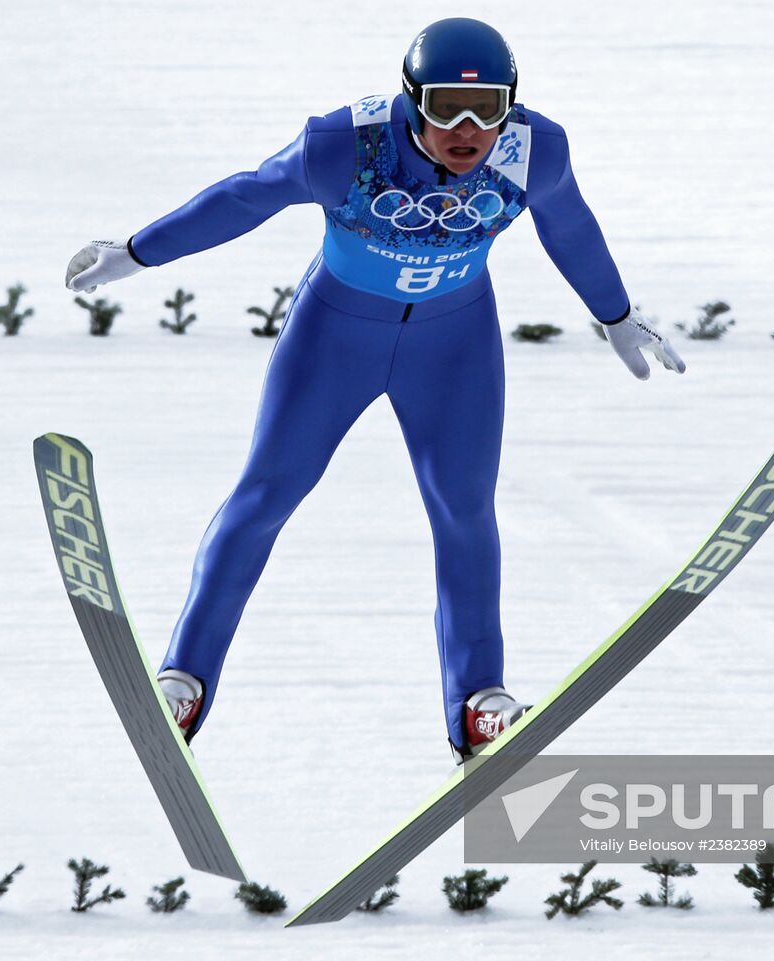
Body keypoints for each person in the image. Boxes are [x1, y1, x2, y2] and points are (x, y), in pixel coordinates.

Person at [64, 17, 685, 761]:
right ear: (410, 101)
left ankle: (478, 703)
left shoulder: (533, 150)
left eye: (487, 108)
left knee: (464, 511)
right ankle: (184, 680)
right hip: (336, 336)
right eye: (446, 110)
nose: (467, 130)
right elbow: (246, 196)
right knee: (266, 495)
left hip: (453, 346)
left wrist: (615, 315)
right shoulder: (345, 147)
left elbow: (572, 228)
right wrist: (138, 251)